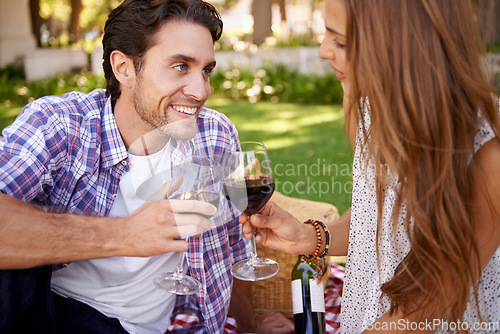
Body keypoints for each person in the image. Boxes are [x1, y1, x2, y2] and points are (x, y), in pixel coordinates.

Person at [0, 0, 263, 333]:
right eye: (181, 66)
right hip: (43, 307)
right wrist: (124, 234)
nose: (201, 91)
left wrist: (254, 325)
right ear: (124, 68)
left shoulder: (216, 134)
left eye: (206, 70)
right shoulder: (60, 124)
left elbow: (237, 243)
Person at [241, 0, 500, 333]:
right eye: (326, 34)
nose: (323, 51)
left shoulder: (486, 149)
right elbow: (374, 220)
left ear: (403, 44)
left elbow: (420, 312)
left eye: (341, 41)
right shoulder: (372, 111)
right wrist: (308, 236)